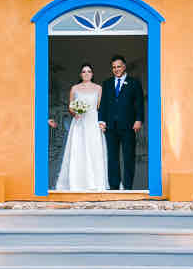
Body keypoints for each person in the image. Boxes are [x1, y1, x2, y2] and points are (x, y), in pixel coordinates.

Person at [50, 63, 109, 191]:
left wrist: (102, 122)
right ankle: (77, 182)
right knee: (78, 150)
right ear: (80, 74)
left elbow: (100, 107)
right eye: (84, 71)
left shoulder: (98, 88)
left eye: (89, 71)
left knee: (94, 150)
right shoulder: (75, 88)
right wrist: (75, 112)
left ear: (92, 74)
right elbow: (71, 107)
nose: (86, 73)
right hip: (79, 123)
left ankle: (95, 183)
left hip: (93, 122)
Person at [99, 54, 144, 190]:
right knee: (112, 158)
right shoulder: (107, 83)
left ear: (124, 67)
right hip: (111, 126)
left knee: (128, 157)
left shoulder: (134, 83)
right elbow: (103, 104)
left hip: (128, 126)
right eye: (114, 67)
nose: (116, 69)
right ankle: (114, 187)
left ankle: (128, 186)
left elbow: (139, 103)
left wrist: (139, 119)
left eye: (119, 66)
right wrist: (101, 120)